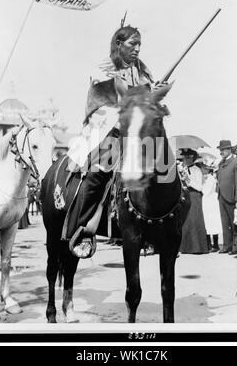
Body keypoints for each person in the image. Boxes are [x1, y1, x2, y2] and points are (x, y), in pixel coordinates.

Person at [64, 25, 167, 258]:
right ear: (119, 44)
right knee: (96, 173)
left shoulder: (142, 70)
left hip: (137, 133)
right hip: (109, 130)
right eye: (133, 44)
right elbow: (110, 100)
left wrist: (156, 92)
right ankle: (82, 231)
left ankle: (154, 230)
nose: (138, 49)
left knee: (162, 168)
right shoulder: (104, 68)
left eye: (140, 44)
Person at [179, 149, 208, 254]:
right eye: (184, 157)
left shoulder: (196, 170)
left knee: (194, 219)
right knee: (186, 220)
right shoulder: (184, 169)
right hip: (185, 195)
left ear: (192, 158)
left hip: (194, 196)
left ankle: (197, 247)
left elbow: (200, 187)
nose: (185, 159)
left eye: (187, 157)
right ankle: (185, 247)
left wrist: (188, 180)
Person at [216, 140, 237, 254]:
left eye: (224, 149)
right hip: (221, 196)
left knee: (233, 223)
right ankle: (227, 246)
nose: (221, 152)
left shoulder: (235, 162)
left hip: (231, 196)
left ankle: (235, 247)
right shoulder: (221, 163)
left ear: (229, 149)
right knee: (225, 223)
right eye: (220, 150)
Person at [201, 163, 222, 252]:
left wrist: (201, 184)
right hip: (207, 201)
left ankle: (215, 244)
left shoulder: (210, 179)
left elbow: (206, 191)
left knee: (211, 222)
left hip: (210, 201)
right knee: (207, 222)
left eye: (203, 168)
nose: (202, 170)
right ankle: (209, 244)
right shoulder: (206, 178)